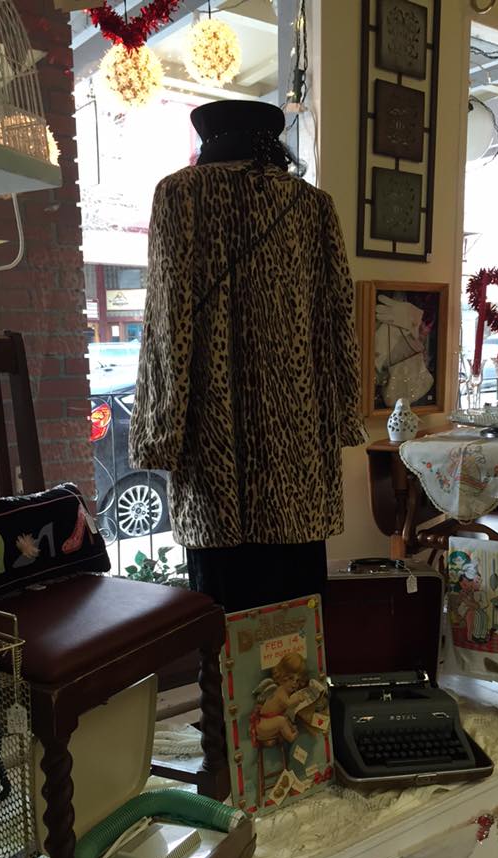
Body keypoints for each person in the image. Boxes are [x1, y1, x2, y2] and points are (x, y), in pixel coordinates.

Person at [129, 100, 366, 612]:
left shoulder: (180, 194)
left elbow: (167, 325)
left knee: (225, 613)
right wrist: (345, 415)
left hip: (214, 445)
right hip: (300, 449)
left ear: (208, 138)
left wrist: (160, 433)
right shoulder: (313, 205)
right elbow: (339, 320)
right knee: (298, 613)